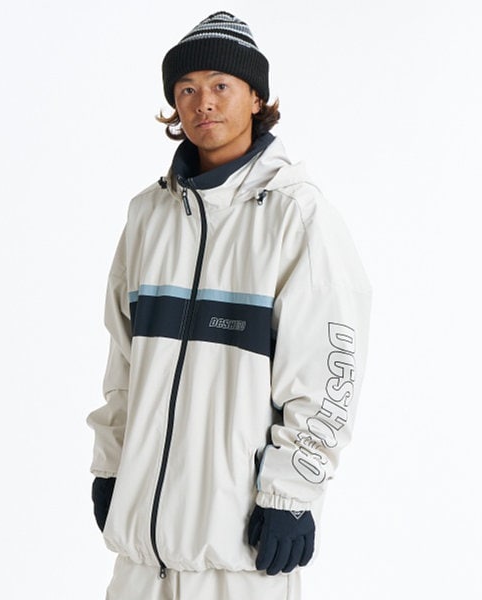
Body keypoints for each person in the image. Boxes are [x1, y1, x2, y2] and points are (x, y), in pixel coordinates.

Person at [87, 11, 372, 600]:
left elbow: (329, 373)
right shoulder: (148, 216)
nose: (204, 103)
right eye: (187, 89)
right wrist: (111, 464)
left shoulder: (297, 217)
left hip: (237, 552)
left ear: (256, 97)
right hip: (141, 553)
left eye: (220, 85)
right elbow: (123, 361)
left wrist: (292, 493)